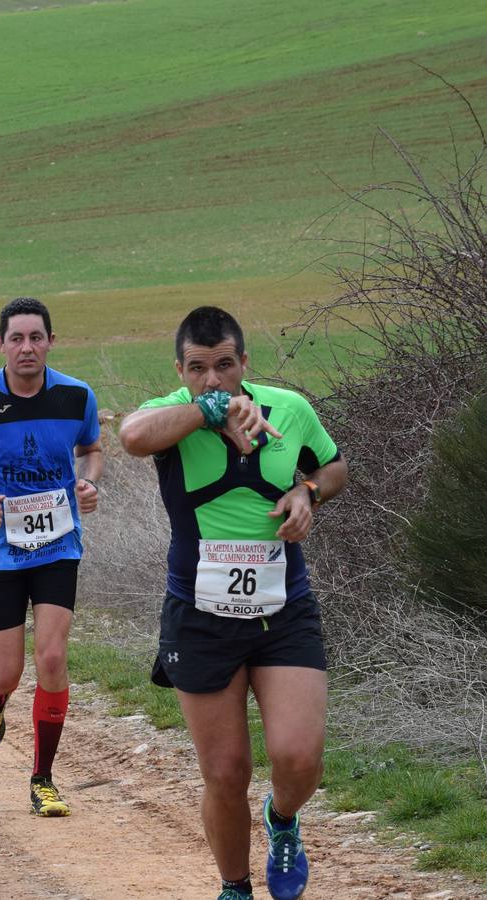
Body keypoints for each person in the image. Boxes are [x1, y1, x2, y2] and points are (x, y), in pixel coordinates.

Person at [118, 306, 347, 900]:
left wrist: (308, 492)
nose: (213, 378)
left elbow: (334, 464)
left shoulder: (288, 409)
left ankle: (283, 819)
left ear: (245, 362)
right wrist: (207, 411)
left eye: (224, 366)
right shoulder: (174, 414)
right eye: (198, 368)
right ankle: (235, 887)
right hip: (199, 616)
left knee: (299, 758)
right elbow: (130, 437)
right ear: (181, 369)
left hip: (283, 609)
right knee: (224, 773)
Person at [0, 296, 103, 818]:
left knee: (52, 658)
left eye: (36, 337)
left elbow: (92, 447)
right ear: (1, 344)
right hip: (0, 551)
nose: (26, 347)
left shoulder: (77, 396)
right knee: (7, 671)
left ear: (51, 341)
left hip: (57, 544)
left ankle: (43, 778)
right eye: (16, 338)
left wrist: (88, 482)